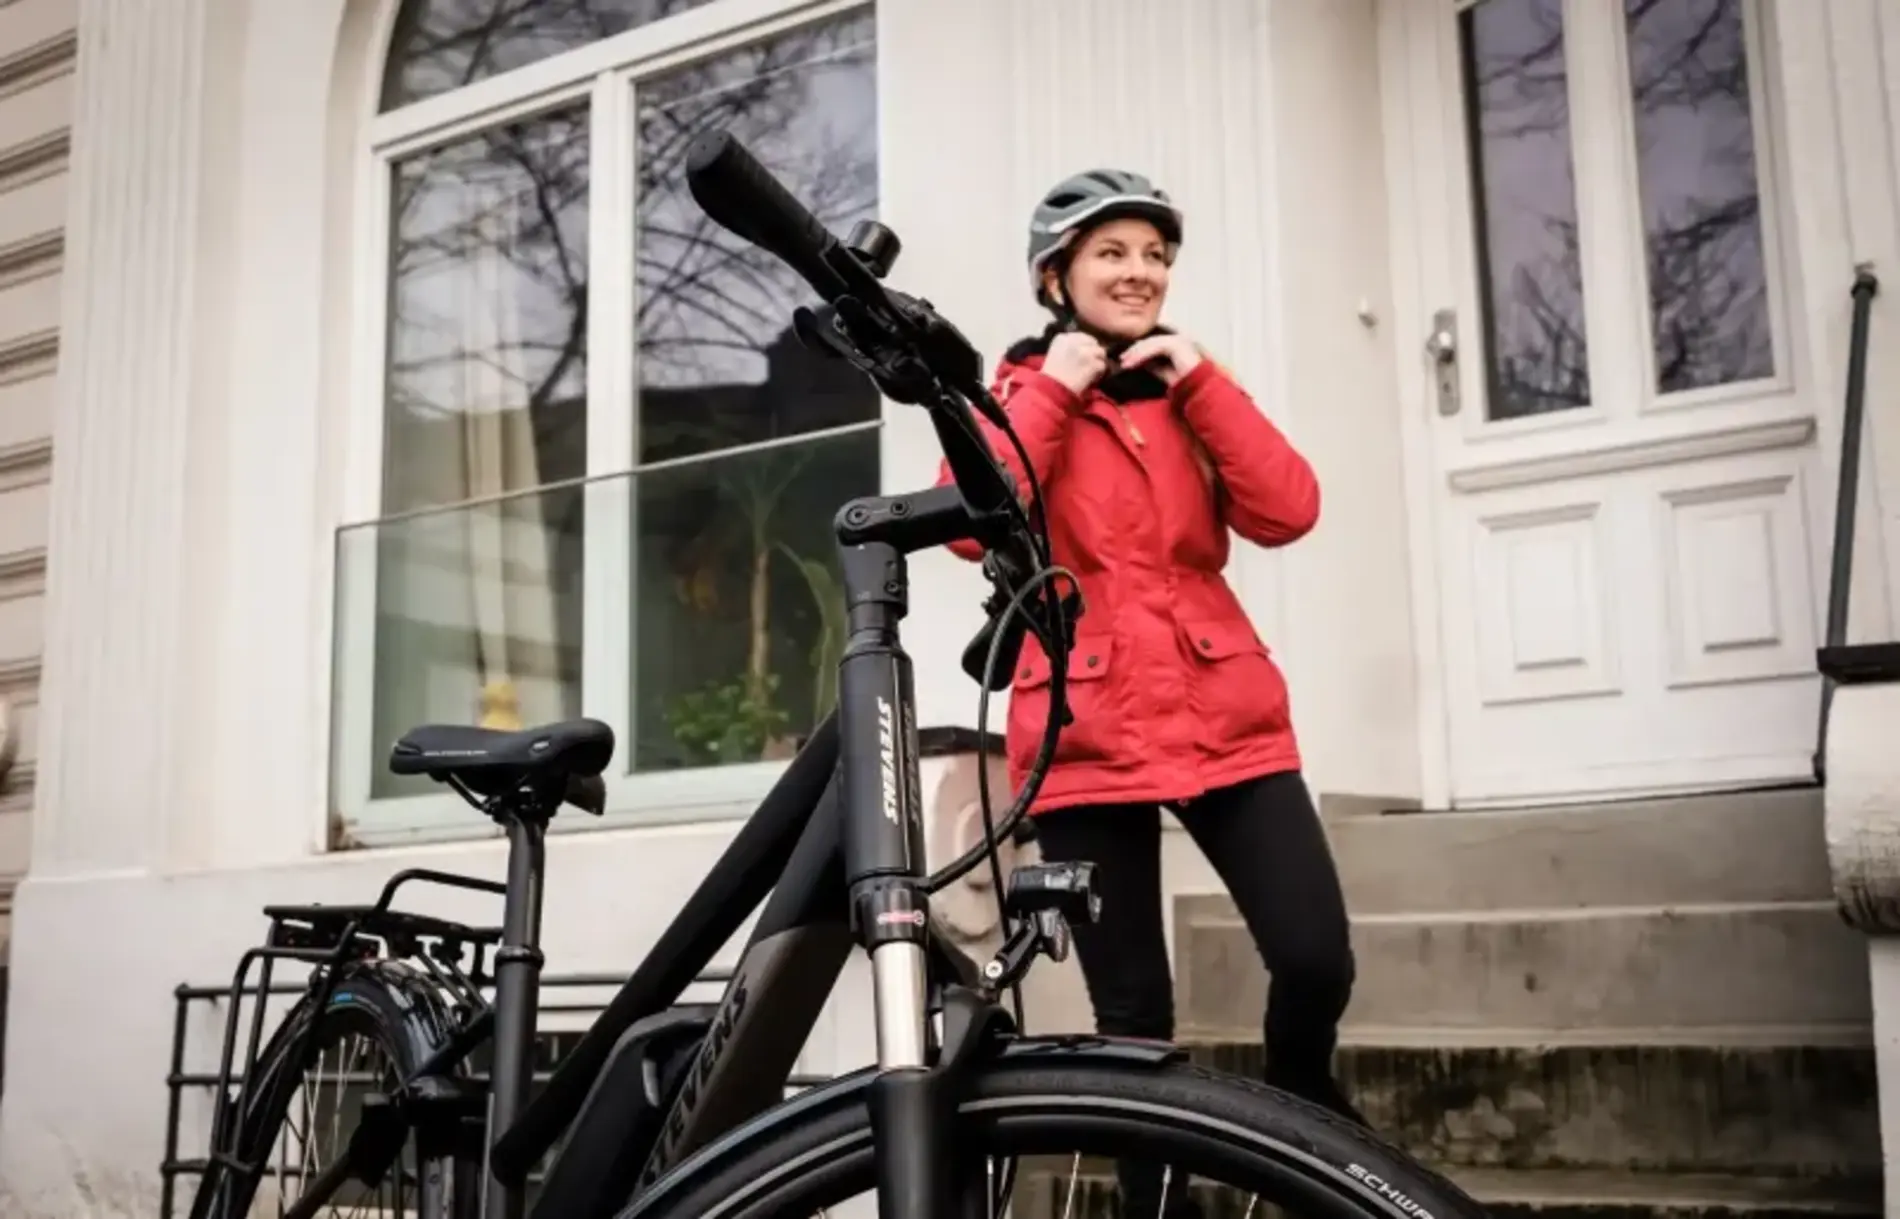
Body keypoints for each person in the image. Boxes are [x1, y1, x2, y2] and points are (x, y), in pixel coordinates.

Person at [938, 168, 1363, 1213]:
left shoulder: (1188, 394)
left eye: (1155, 255)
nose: (1140, 273)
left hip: (1225, 712)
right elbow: (971, 525)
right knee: (1133, 1021)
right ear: (1055, 278)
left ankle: (1299, 1094)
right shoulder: (1016, 396)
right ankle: (1152, 1206)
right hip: (1086, 727)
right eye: (1112, 253)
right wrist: (1055, 388)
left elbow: (1289, 509)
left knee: (1315, 956)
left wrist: (1205, 382)